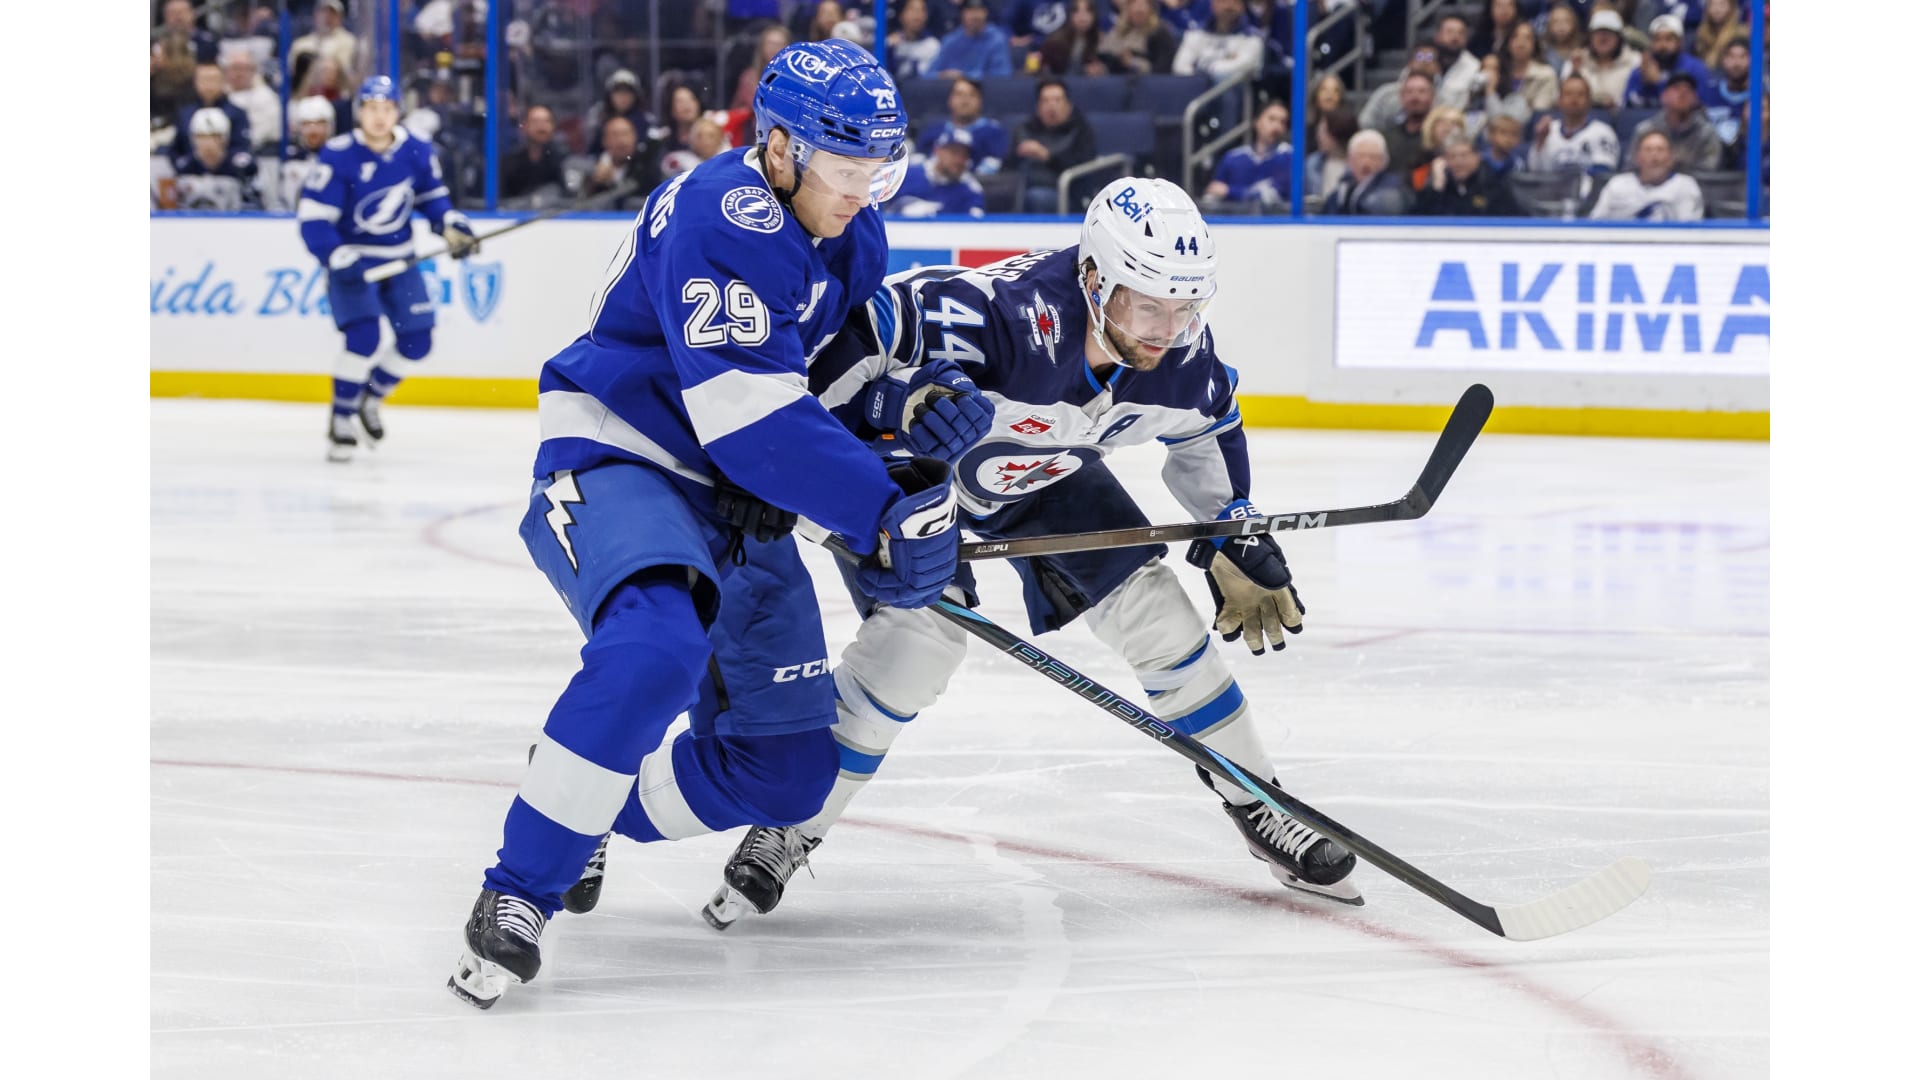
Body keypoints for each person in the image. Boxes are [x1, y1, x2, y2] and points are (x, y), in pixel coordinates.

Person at [446, 40, 966, 1011]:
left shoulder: (853, 233)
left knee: (789, 774)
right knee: (654, 650)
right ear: (781, 147)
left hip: (740, 490)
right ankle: (520, 889)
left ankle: (586, 801)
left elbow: (816, 381)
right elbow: (749, 417)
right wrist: (879, 513)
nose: (863, 192)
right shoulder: (724, 213)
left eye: (878, 170)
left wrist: (900, 411)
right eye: (845, 169)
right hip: (626, 455)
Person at [699, 177, 1362, 931]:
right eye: (1147, 307)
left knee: (1160, 616)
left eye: (1185, 309)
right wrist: (893, 407)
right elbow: (846, 339)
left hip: (1042, 474)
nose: (1165, 331)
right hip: (915, 479)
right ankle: (793, 826)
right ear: (1094, 280)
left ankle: (1259, 799)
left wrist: (1230, 527)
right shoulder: (992, 317)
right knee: (918, 648)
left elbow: (1208, 427)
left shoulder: (1181, 355)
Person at [296, 76, 481, 462]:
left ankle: (370, 398)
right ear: (359, 112)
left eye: (387, 109)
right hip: (354, 262)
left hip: (400, 260)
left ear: (398, 111)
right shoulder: (339, 155)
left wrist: (451, 226)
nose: (379, 117)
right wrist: (335, 255)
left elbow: (434, 200)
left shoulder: (416, 150)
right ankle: (341, 418)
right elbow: (313, 219)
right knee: (363, 338)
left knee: (418, 341)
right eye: (371, 109)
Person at [1011, 78, 1098, 213]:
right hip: (1024, 187)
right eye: (1045, 101)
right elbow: (1009, 164)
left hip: (1067, 192)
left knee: (1037, 198)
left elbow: (1084, 167)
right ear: (1038, 107)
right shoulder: (1025, 130)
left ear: (1068, 105)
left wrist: (1047, 156)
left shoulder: (1081, 131)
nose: (1051, 106)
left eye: (1057, 100)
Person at [1588, 129, 1704, 220]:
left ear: (1671, 158)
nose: (1654, 156)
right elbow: (1595, 223)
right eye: (1648, 150)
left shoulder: (1685, 186)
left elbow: (1690, 230)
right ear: (1637, 158)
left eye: (1660, 150)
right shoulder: (1617, 185)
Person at [164, 108, 263, 211]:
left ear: (224, 138)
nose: (208, 142)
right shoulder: (186, 167)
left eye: (214, 136)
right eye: (201, 136)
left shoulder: (241, 167)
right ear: (193, 138)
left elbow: (254, 204)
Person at [1204, 99, 1293, 209]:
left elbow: (1272, 196)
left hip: (1276, 218)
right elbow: (1213, 194)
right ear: (1257, 122)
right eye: (1271, 119)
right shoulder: (1233, 157)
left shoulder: (1290, 157)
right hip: (1233, 219)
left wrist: (1229, 191)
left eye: (1282, 122)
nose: (1277, 126)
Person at [1627, 71, 1722, 173]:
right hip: (1650, 182)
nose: (1682, 93)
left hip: (1693, 183)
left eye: (1688, 90)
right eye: (1676, 88)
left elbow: (1710, 171)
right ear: (1663, 96)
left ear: (1695, 99)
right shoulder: (1646, 130)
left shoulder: (1706, 133)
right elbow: (1631, 167)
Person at [1528, 73, 1619, 175]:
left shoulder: (1603, 132)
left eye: (1580, 94)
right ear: (1559, 100)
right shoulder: (1548, 130)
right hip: (1552, 185)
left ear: (1589, 101)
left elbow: (1603, 172)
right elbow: (1535, 172)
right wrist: (1540, 141)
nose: (1574, 99)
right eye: (1568, 94)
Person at [915, 76, 1009, 175]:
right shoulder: (933, 130)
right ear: (950, 99)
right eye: (959, 94)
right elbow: (918, 160)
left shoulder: (994, 132)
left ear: (980, 101)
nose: (965, 101)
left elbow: (994, 167)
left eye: (971, 95)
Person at [888, 129, 988, 217]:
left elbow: (975, 224)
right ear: (938, 150)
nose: (959, 160)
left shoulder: (970, 190)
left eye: (965, 155)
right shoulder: (907, 174)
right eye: (954, 152)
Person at [1415, 133, 1522, 215]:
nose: (1458, 162)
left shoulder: (1493, 186)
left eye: (1464, 155)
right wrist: (1437, 188)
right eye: (1452, 156)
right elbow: (1417, 220)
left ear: (1477, 156)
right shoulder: (1439, 187)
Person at [1620, 12, 1711, 108]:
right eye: (1657, 39)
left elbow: (1701, 104)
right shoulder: (1642, 70)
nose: (1662, 45)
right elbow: (1627, 106)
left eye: (1669, 39)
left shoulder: (1695, 69)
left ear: (1680, 42)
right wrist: (1645, 84)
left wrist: (1659, 83)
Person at [1561, 7, 1641, 109]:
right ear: (1590, 37)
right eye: (1598, 32)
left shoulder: (1635, 61)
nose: (1603, 37)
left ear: (1619, 37)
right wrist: (1575, 71)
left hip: (1626, 116)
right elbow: (1564, 100)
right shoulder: (1575, 61)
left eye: (1609, 32)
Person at [1172, 0, 1266, 85]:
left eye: (1235, 2)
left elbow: (1242, 67)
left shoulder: (1253, 38)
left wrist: (1206, 69)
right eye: (1223, 1)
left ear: (1242, 7)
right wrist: (1199, 80)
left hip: (1234, 92)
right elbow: (1180, 67)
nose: (1229, 6)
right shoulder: (1195, 34)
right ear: (1213, 5)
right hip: (1195, 90)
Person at [273, 95, 339, 211]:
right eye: (307, 124)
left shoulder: (341, 158)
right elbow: (281, 201)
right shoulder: (291, 159)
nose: (313, 130)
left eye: (320, 123)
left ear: (330, 126)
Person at [1322, 129, 1412, 215]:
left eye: (1373, 157)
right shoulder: (1341, 192)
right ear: (1350, 160)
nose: (1366, 163)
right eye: (1360, 156)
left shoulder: (1392, 190)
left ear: (1384, 162)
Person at [931, 0, 1015, 79]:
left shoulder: (997, 40)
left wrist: (965, 77)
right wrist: (942, 75)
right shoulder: (950, 41)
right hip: (951, 88)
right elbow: (929, 75)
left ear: (986, 13)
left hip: (985, 89)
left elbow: (1002, 75)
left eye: (979, 11)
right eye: (970, 11)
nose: (975, 15)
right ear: (962, 14)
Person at [501, 104, 567, 201]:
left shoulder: (562, 161)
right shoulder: (509, 163)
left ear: (553, 127)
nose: (541, 127)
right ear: (525, 126)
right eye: (536, 121)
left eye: (546, 121)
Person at [1099, 0, 1180, 76]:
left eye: (1143, 5)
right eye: (1134, 5)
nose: (1138, 9)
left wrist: (1134, 62)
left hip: (1152, 82)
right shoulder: (1118, 31)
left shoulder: (1160, 32)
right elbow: (1104, 55)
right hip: (1118, 81)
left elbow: (1163, 67)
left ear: (1151, 9)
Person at [1699, 35, 1753, 146]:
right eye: (1731, 57)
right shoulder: (1708, 92)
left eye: (1743, 56)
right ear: (1723, 60)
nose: (1736, 63)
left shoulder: (1762, 97)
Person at [586, 69, 654, 156]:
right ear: (609, 96)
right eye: (618, 92)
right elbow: (593, 152)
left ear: (636, 95)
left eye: (627, 92)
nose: (622, 96)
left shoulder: (646, 122)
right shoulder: (601, 120)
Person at [222, 52, 281, 152]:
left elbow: (260, 133)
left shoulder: (266, 97)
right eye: (234, 68)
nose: (239, 74)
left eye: (243, 69)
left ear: (253, 71)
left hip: (257, 150)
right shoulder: (219, 93)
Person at [1036, 0, 1110, 76]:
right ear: (1069, 15)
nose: (1082, 17)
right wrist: (1083, 70)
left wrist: (1102, 69)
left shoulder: (1101, 40)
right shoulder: (1055, 43)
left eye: (1088, 11)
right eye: (1076, 11)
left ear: (1095, 15)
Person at [1304, 107, 1359, 199]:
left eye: (1323, 131)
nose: (1318, 136)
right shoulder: (1312, 164)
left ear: (1338, 133)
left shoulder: (1358, 166)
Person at [888, 0, 945, 80]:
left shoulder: (932, 45)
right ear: (901, 15)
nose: (917, 16)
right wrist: (889, 49)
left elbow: (932, 77)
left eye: (922, 10)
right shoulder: (890, 43)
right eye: (912, 9)